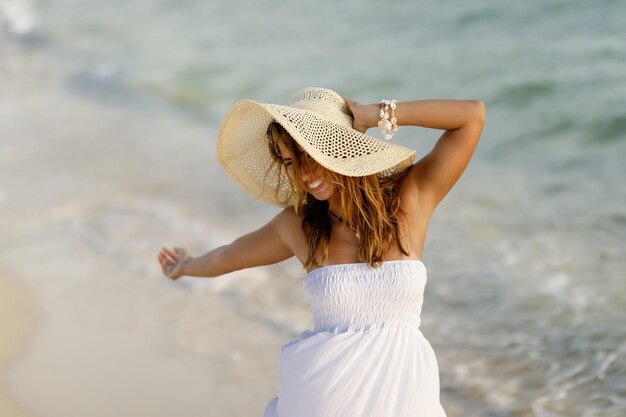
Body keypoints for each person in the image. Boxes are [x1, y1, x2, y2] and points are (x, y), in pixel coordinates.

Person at [157, 87, 486, 417]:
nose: (302, 175)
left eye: (309, 156)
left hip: (405, 400)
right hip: (324, 400)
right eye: (290, 162)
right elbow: (227, 256)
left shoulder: (409, 202)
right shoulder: (299, 227)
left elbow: (471, 116)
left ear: (337, 146)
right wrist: (185, 266)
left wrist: (378, 114)